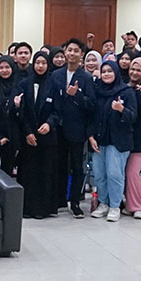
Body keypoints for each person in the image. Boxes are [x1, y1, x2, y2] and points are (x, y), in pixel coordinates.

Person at [51, 38, 94, 219]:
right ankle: (60, 199)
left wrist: (77, 95)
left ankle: (75, 202)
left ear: (81, 54)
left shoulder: (86, 78)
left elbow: (91, 104)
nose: (72, 53)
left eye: (76, 51)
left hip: (77, 129)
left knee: (77, 166)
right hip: (58, 127)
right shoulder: (56, 75)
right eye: (69, 50)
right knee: (59, 165)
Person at [88, 61, 136, 222]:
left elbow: (133, 117)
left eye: (110, 71)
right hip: (99, 140)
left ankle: (115, 206)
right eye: (104, 71)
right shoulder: (98, 92)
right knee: (99, 174)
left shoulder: (126, 92)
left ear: (116, 72)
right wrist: (91, 136)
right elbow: (91, 116)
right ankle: (103, 203)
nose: (106, 74)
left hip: (118, 141)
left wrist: (121, 110)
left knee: (114, 174)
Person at [17, 52, 59, 219]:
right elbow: (22, 111)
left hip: (47, 137)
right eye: (37, 63)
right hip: (28, 137)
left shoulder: (54, 84)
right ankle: (27, 208)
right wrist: (28, 131)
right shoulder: (24, 83)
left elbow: (58, 110)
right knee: (29, 172)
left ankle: (43, 209)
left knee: (45, 172)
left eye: (43, 63)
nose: (40, 66)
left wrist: (49, 123)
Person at [123, 57, 141, 219]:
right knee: (125, 172)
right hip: (127, 138)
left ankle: (139, 206)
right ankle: (129, 204)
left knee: (132, 172)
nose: (134, 73)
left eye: (138, 70)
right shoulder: (125, 88)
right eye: (132, 69)